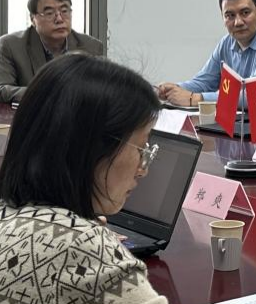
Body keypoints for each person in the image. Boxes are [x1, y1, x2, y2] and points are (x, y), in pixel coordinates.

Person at [0, 54, 166, 303]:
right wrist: (91, 243)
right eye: (141, 149)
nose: (143, 169)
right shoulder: (90, 255)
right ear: (91, 149)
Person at [0, 0, 104, 103]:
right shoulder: (10, 46)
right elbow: (2, 89)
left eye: (64, 11)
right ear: (33, 19)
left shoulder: (91, 47)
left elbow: (101, 90)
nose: (59, 19)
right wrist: (46, 93)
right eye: (49, 13)